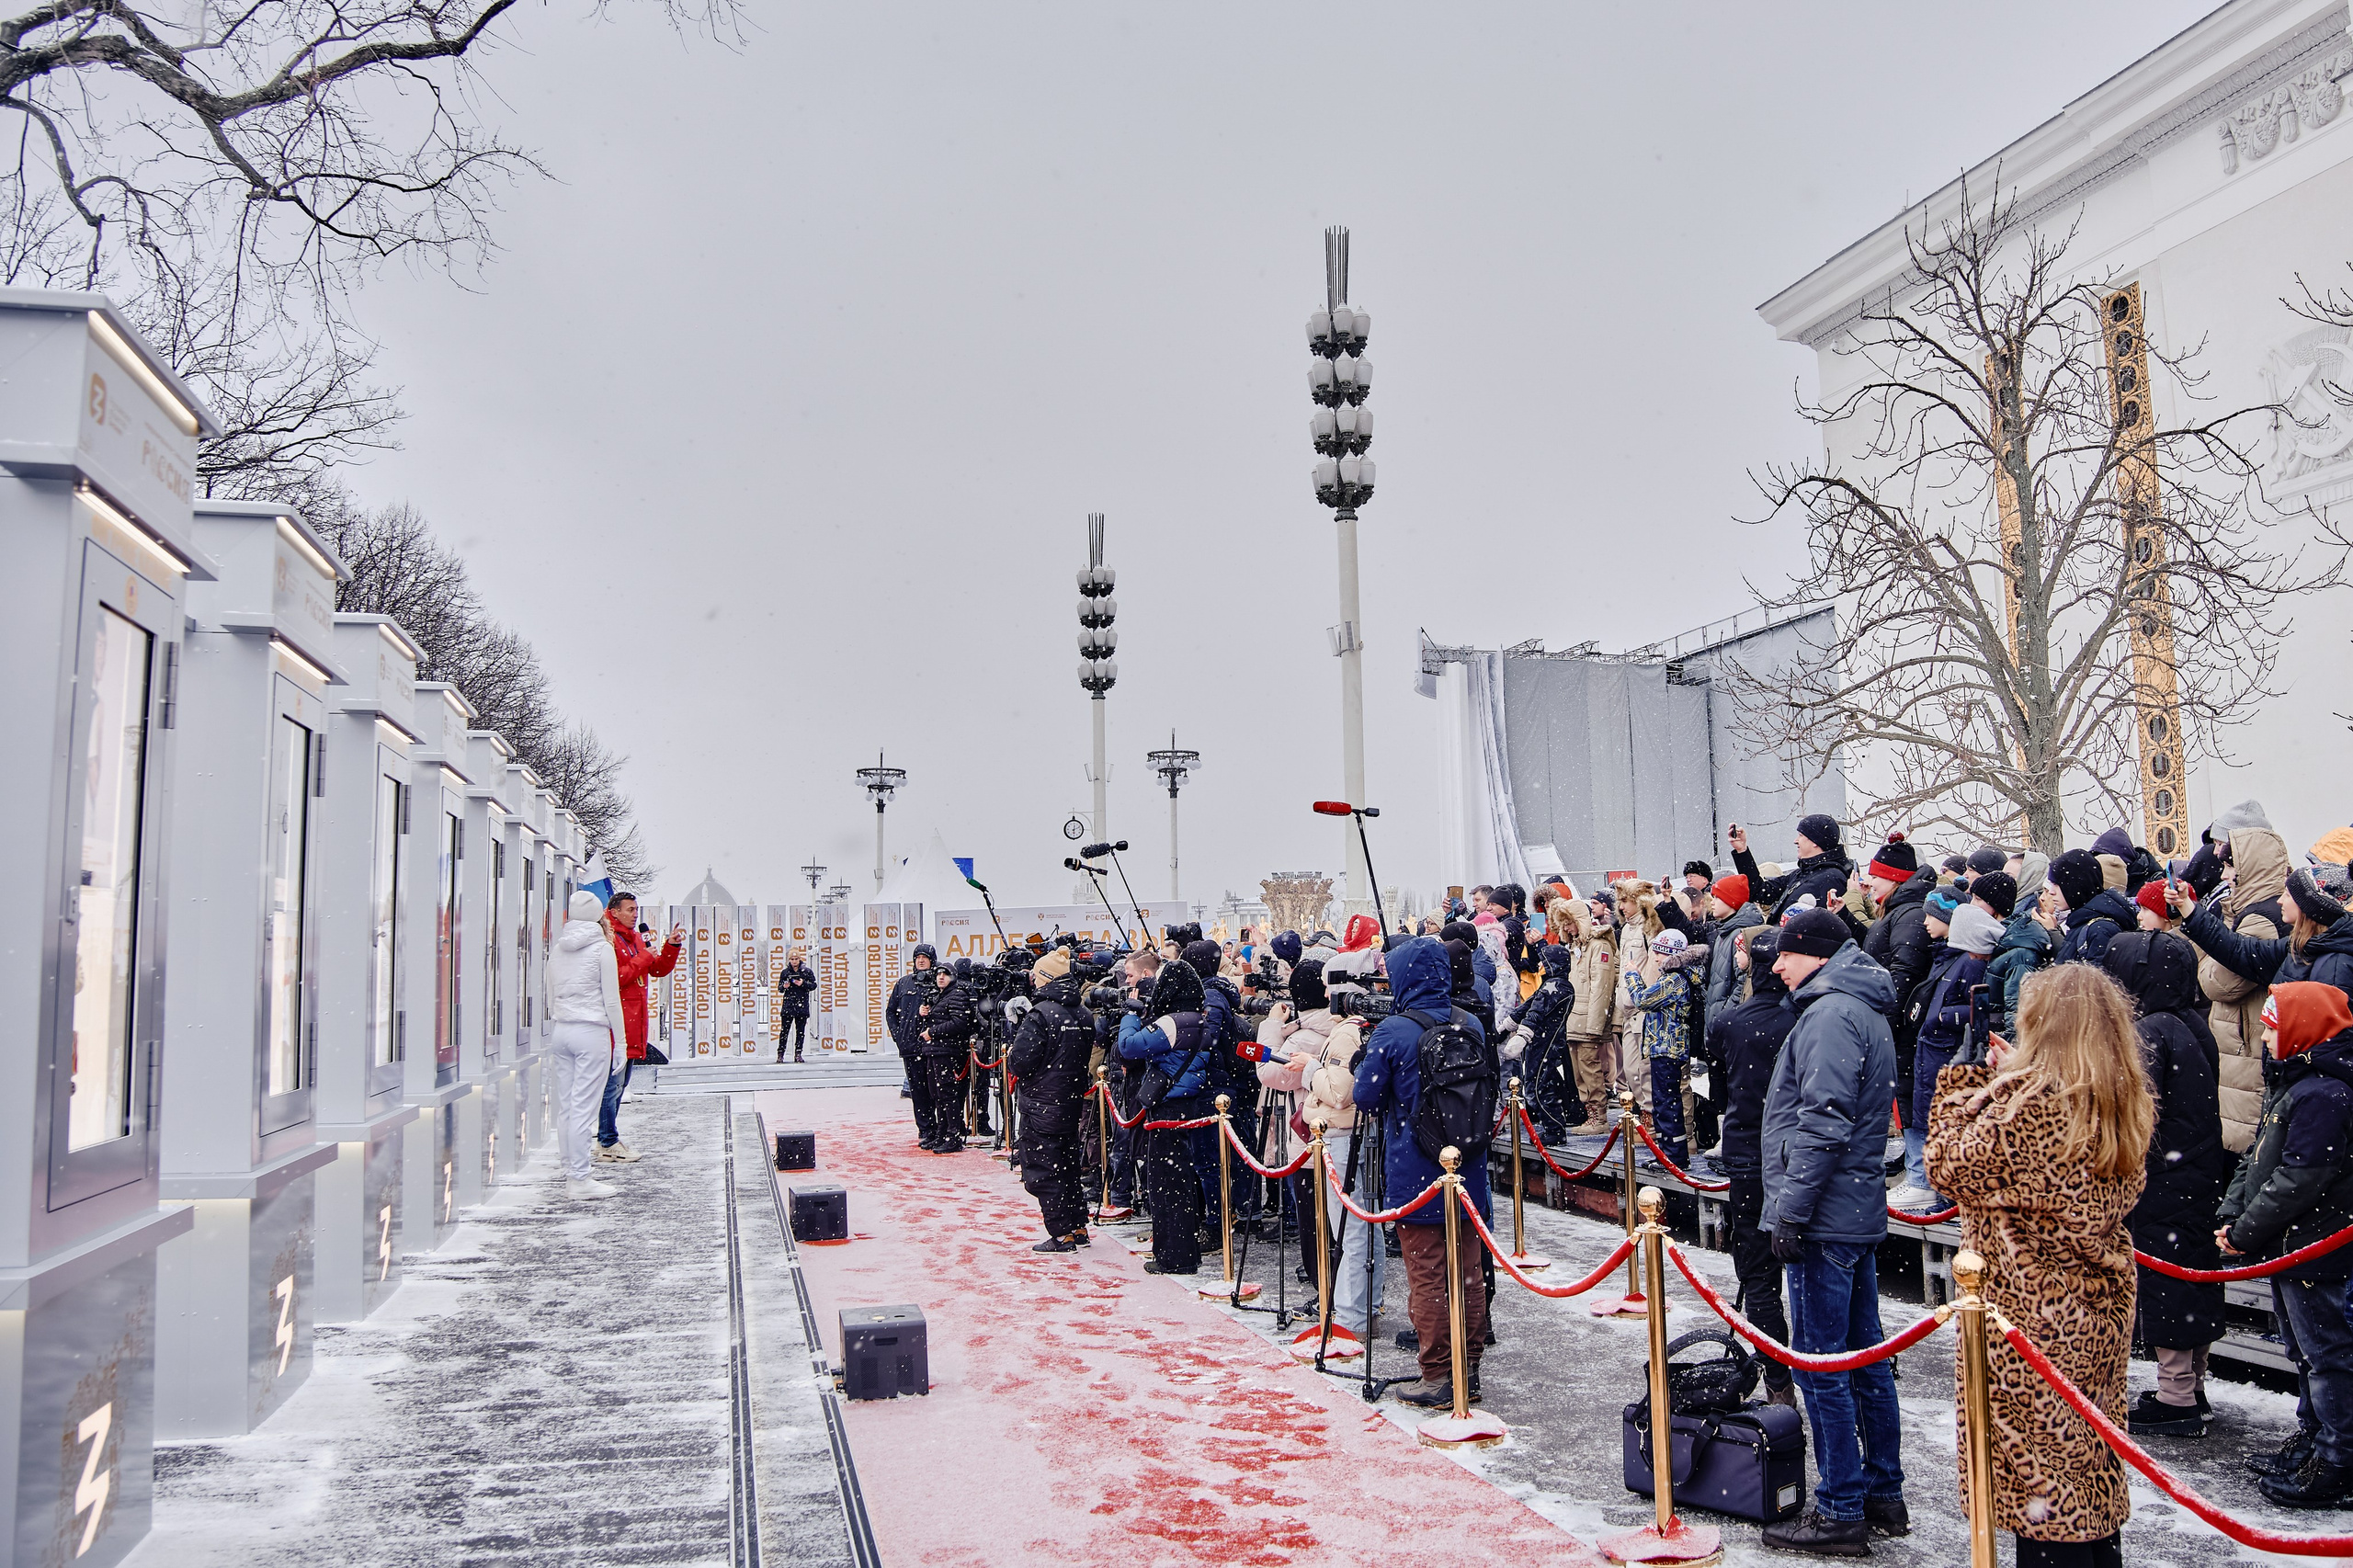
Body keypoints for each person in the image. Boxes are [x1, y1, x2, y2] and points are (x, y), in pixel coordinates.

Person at [1927, 964, 2153, 1565]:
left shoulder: (2033, 1111)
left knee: (2047, 1502)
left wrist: (1968, 1083)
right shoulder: (2112, 1093)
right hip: (2090, 1308)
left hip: (2033, 1321)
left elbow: (1947, 1164)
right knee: (2084, 1485)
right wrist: (2011, 1083)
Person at [1757, 907, 1906, 1555]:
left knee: (1824, 1366)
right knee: (1863, 1359)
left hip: (1825, 1214)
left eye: (1786, 954)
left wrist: (1791, 1209)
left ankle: (1842, 1506)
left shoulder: (1828, 1014)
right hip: (1851, 1207)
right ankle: (1880, 1493)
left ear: (1815, 954)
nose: (1776, 965)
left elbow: (1822, 1121)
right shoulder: (1855, 1006)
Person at [2216, 983, 2353, 1506]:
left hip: (2315, 1244)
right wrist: (2233, 1215)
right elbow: (2258, 1159)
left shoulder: (2324, 1092)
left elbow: (2301, 1179)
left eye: (2274, 1028)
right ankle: (2315, 1438)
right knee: (2305, 1350)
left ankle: (2339, 1459)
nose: (2266, 1037)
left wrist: (2246, 1230)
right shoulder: (2298, 1081)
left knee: (2326, 1354)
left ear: (2300, 1031)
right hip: (2292, 1241)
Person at [1353, 936, 1495, 1410]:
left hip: (1417, 1170)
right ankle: (1469, 1367)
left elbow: (1366, 1097)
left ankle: (1437, 1373)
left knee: (1429, 1273)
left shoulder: (1393, 1031)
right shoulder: (1469, 1021)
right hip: (1468, 1167)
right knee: (1467, 1271)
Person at [2100, 928, 2231, 1438]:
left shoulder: (2150, 1031)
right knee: (2193, 1272)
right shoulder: (2190, 1022)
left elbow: (2136, 1112)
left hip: (2163, 1178)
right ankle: (2191, 1386)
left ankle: (2176, 1395)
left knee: (2168, 1280)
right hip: (2196, 1171)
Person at [1701, 926, 1799, 1409]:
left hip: (1750, 1153)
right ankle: (1803, 1375)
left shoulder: (1731, 1023)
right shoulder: (1801, 1021)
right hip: (1786, 1153)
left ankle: (1779, 1381)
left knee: (1758, 1272)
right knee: (1789, 1270)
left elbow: (1721, 1077)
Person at [2188, 811, 2290, 1153]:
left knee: (2245, 1145)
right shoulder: (2254, 911)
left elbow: (2218, 983)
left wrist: (2204, 951)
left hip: (2247, 1054)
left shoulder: (2261, 918)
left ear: (2247, 866)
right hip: (2243, 1050)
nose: (2225, 875)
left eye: (2230, 866)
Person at [1892, 902, 2000, 1211]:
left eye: (1931, 915)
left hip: (1941, 1052)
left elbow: (1981, 1008)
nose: (1925, 922)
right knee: (1933, 1117)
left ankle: (1944, 1193)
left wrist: (1941, 1017)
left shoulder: (1969, 964)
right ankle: (1938, 1190)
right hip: (1932, 1051)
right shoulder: (1952, 960)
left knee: (1945, 1121)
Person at [1118, 958, 1218, 1275]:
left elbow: (1128, 1047)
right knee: (1181, 1182)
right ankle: (1182, 1250)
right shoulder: (1200, 1019)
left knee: (1166, 1184)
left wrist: (1131, 1015)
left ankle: (1174, 1256)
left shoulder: (1173, 1022)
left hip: (1168, 1107)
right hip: (1188, 1103)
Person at [1008, 946, 1096, 1252]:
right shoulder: (1083, 1013)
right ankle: (1077, 1227)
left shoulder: (1041, 1015)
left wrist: (1015, 1032)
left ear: (1044, 978)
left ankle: (1062, 1234)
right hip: (1069, 1101)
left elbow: (1020, 1061)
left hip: (1041, 1103)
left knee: (1043, 1170)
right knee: (1068, 1166)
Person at [546, 890, 627, 1199]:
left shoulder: (558, 949)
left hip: (562, 1029)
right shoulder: (602, 950)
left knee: (566, 1107)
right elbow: (611, 1000)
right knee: (583, 1107)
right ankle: (579, 1178)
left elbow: (551, 993)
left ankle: (571, 1169)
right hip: (590, 1032)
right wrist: (619, 1042)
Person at [596, 893, 682, 1163]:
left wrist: (670, 946)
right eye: (630, 910)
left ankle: (606, 1138)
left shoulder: (634, 937)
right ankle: (607, 1140)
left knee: (620, 1086)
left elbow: (656, 969)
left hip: (633, 1021)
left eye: (637, 909)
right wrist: (643, 958)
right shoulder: (607, 939)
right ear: (614, 912)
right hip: (617, 1023)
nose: (635, 914)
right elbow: (617, 977)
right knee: (612, 1086)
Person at [1628, 928, 1700, 1166]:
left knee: (1666, 1103)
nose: (1655, 958)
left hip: (1668, 1048)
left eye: (1659, 952)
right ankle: (1670, 1154)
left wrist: (1632, 976)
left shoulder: (1674, 979)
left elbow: (1642, 1000)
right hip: (1667, 1047)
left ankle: (1675, 1157)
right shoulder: (1677, 976)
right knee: (1665, 1103)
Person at [1550, 895, 1619, 1134]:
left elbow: (1602, 988)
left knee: (1590, 1069)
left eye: (1569, 923)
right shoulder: (1577, 947)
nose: (1567, 928)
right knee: (1580, 1072)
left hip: (1587, 1019)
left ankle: (1598, 1117)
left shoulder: (1598, 946)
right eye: (1564, 924)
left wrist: (1596, 1024)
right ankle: (1591, 1114)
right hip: (1576, 1019)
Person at [1730, 813, 1854, 923]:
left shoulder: (1831, 878)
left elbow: (1819, 928)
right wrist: (1742, 851)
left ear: (1815, 841)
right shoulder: (1802, 873)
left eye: (1800, 835)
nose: (1796, 841)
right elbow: (1761, 892)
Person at [1982, 857, 2052, 1041]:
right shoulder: (2016, 920)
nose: (2004, 881)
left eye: (2010, 876)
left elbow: (2017, 1007)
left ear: (2028, 877)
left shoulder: (2028, 920)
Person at [915, 963, 975, 1153]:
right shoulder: (941, 996)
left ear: (953, 977)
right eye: (939, 974)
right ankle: (943, 1134)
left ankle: (953, 1135)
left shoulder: (957, 995)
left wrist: (932, 1032)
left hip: (947, 1051)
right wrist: (924, 1013)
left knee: (947, 1094)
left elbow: (959, 1023)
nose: (940, 977)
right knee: (937, 1094)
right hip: (935, 1050)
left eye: (945, 974)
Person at [2050, 847, 2137, 969]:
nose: (2051, 892)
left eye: (2057, 884)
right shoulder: (2082, 921)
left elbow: (2097, 985)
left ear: (2076, 885)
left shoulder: (2100, 929)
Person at [885, 945, 938, 1145]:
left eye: (925, 957)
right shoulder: (904, 983)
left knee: (936, 1089)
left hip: (933, 1045)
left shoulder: (939, 980)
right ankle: (925, 1130)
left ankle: (939, 1128)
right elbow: (890, 1011)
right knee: (917, 1090)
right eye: (918, 957)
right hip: (910, 1046)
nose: (921, 961)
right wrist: (898, 1035)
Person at [775, 945, 815, 1062]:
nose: (794, 961)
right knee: (784, 1031)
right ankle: (780, 1054)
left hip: (802, 1005)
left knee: (800, 1032)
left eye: (796, 959)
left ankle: (798, 1054)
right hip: (788, 1005)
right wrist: (784, 986)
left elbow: (813, 985)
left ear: (800, 959)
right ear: (789, 960)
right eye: (792, 959)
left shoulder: (807, 971)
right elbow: (780, 988)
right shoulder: (785, 972)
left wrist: (803, 983)